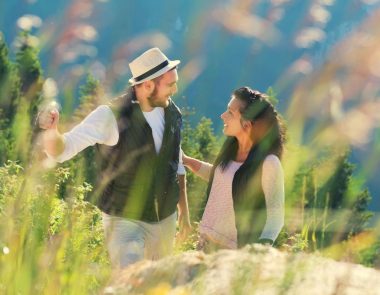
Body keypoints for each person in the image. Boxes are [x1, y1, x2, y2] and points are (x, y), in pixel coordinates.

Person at [39, 47, 191, 268]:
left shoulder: (172, 113)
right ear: (147, 85)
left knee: (159, 284)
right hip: (124, 220)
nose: (175, 89)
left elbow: (175, 163)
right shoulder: (110, 116)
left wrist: (184, 213)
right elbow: (62, 150)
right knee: (129, 283)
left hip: (164, 220)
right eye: (170, 84)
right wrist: (51, 132)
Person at [183, 86, 285, 251]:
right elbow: (224, 180)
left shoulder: (268, 163)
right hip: (204, 245)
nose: (222, 116)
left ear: (247, 124)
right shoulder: (231, 149)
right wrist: (188, 161)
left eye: (230, 113)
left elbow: (276, 217)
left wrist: (258, 250)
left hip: (232, 253)